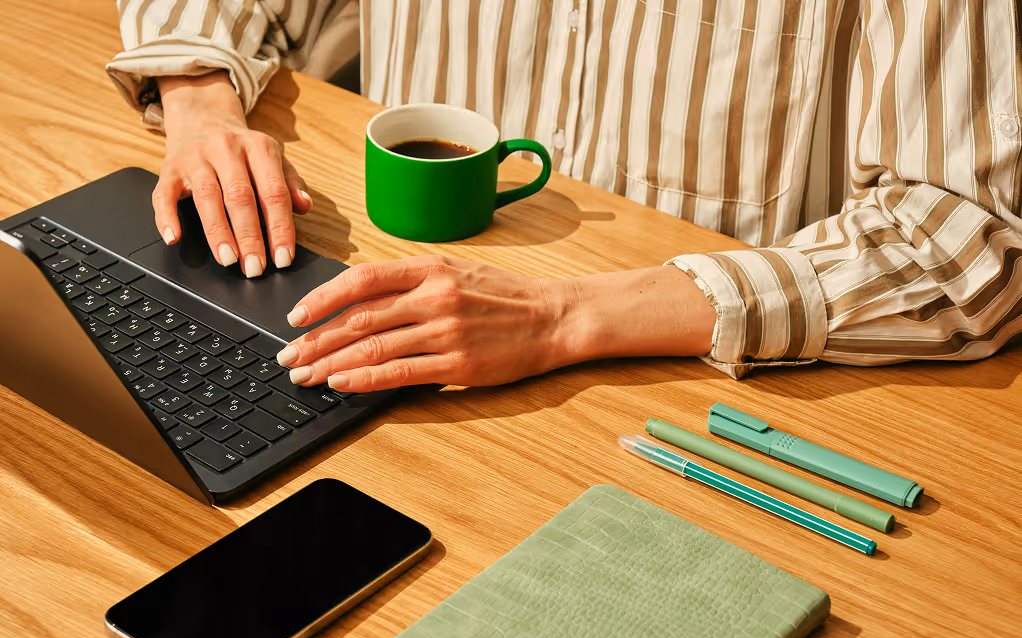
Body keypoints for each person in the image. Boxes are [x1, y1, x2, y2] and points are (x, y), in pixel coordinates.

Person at [108, 0, 1022, 392]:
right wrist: (197, 98)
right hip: (368, 319)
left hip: (684, 393)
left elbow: (967, 244)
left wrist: (560, 318)